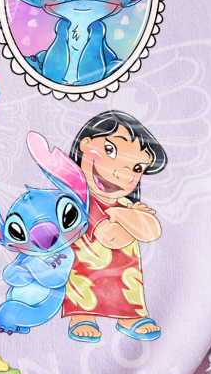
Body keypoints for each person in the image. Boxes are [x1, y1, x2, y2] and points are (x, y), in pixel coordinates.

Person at [64, 110, 168, 342]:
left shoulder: (122, 205)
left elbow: (152, 231)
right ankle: (82, 317)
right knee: (83, 289)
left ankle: (129, 317)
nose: (122, 173)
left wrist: (120, 213)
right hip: (85, 271)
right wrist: (132, 218)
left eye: (137, 168)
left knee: (128, 287)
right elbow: (112, 237)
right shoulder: (80, 203)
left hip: (125, 274)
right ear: (85, 144)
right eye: (110, 150)